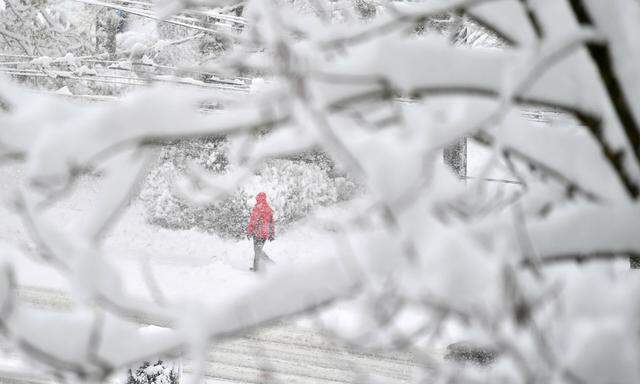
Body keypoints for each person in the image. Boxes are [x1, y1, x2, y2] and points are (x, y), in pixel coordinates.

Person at [246, 192, 275, 272]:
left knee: (257, 251)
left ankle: (256, 269)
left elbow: (253, 221)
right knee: (259, 250)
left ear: (258, 198)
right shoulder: (268, 209)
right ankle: (269, 262)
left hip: (257, 233)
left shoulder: (257, 208)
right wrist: (271, 234)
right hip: (264, 234)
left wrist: (249, 231)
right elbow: (271, 223)